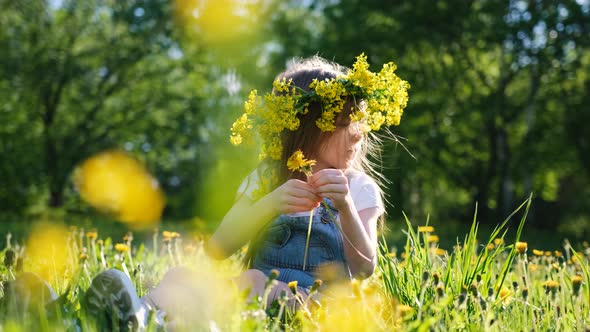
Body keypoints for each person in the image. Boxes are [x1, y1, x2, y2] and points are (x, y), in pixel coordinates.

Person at [206, 54, 409, 306]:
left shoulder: (358, 187)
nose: (358, 136)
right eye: (344, 123)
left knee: (251, 283)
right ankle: (149, 313)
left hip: (323, 306)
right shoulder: (266, 179)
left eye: (358, 123)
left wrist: (344, 206)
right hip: (262, 294)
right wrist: (269, 204)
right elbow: (218, 248)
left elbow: (364, 269)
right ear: (305, 128)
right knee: (180, 278)